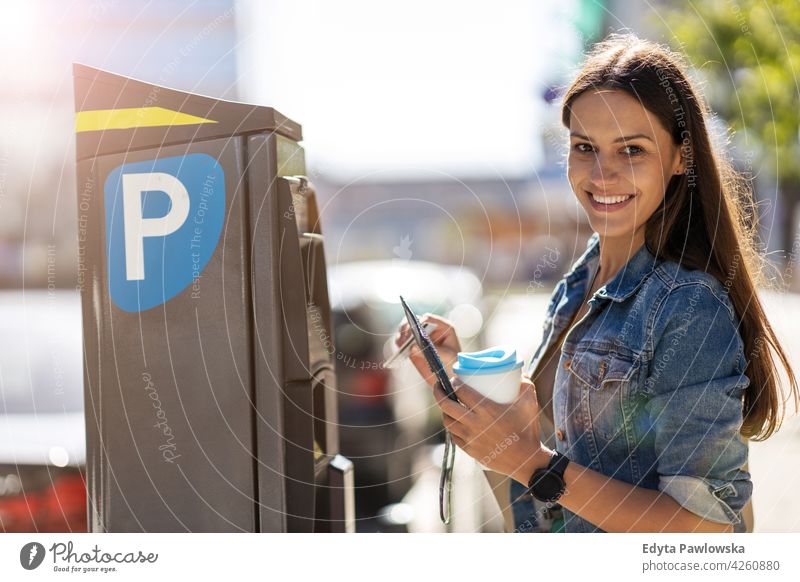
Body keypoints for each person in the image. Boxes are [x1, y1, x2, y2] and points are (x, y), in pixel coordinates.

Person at [396, 33, 798, 533]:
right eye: (585, 147)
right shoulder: (582, 279)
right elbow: (552, 447)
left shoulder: (689, 307)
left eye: (631, 150)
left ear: (681, 158)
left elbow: (709, 533)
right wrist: (459, 375)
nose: (602, 173)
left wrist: (534, 466)